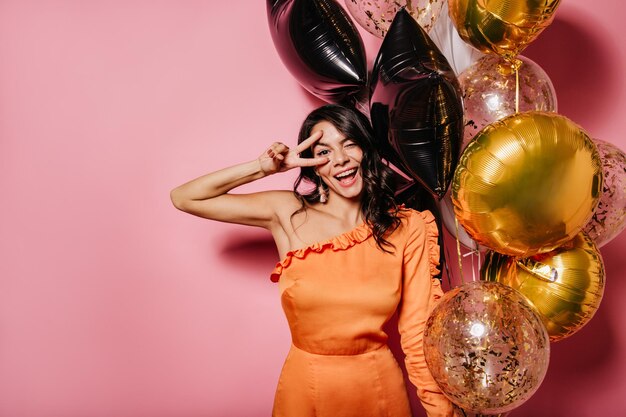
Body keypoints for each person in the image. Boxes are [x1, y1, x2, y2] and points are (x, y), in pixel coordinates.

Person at [170, 104, 454, 417]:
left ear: (366, 149)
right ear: (313, 166)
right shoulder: (287, 212)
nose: (341, 159)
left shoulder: (407, 226)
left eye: (349, 144)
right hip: (307, 389)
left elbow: (417, 333)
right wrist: (263, 168)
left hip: (379, 389)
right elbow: (185, 197)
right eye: (324, 151)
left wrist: (442, 411)